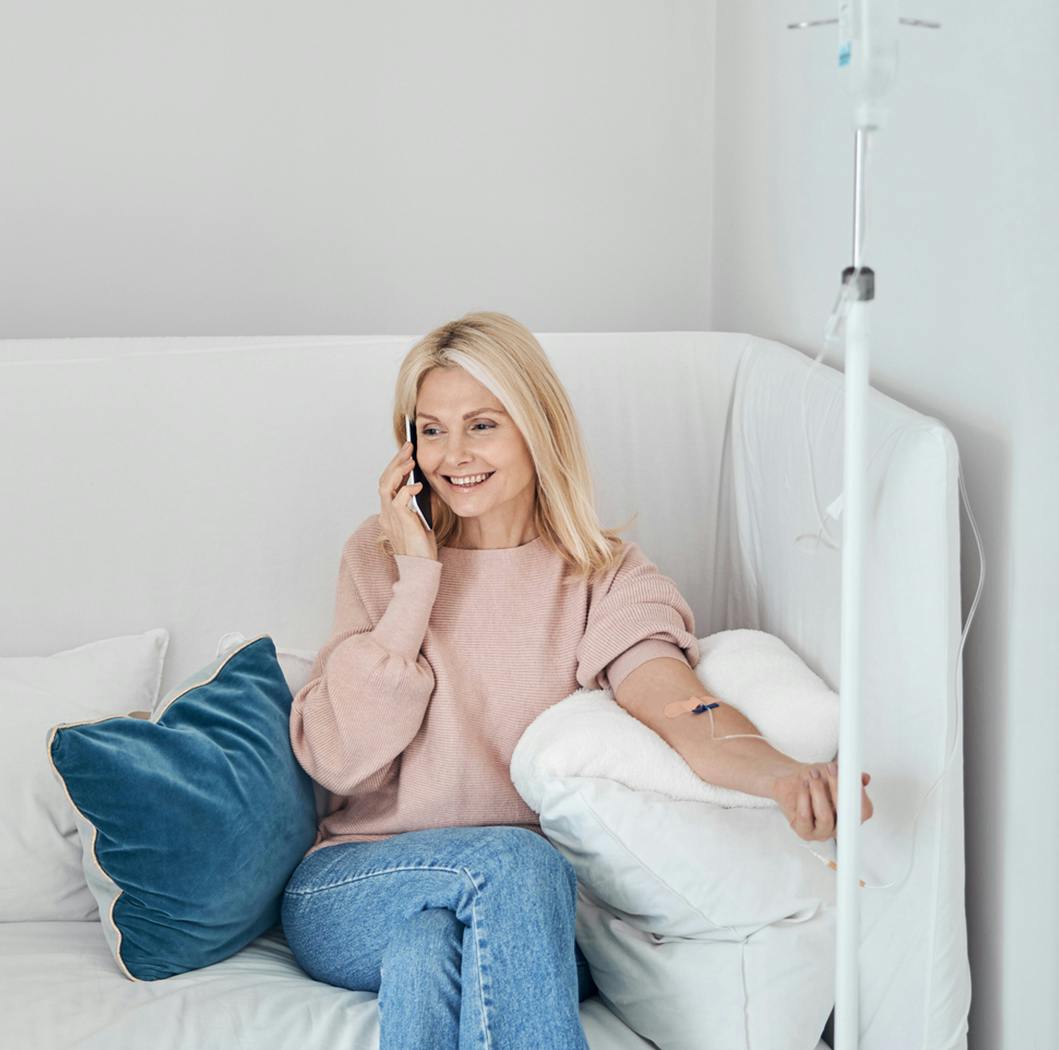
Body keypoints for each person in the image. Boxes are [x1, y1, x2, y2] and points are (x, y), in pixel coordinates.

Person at [279, 311, 866, 1049]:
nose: (452, 454)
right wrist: (417, 578)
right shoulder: (379, 557)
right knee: (506, 865)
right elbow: (335, 757)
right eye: (430, 430)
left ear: (536, 427)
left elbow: (681, 706)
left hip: (533, 916)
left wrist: (784, 775)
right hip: (354, 885)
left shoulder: (604, 578)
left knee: (431, 953)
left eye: (481, 425)